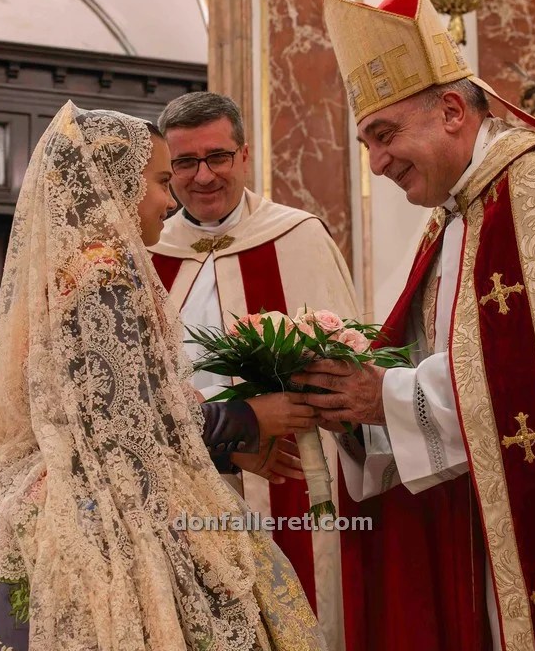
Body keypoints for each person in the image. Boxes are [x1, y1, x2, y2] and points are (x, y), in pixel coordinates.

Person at [293, 0, 535, 650]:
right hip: (486, 540)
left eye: (384, 134)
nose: (376, 162)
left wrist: (389, 397)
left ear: (451, 111)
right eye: (366, 143)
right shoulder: (460, 215)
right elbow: (453, 363)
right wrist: (358, 404)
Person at [0, 102, 326, 651]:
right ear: (116, 184)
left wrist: (226, 447)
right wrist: (247, 417)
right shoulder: (107, 277)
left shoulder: (72, 271)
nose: (170, 199)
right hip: (102, 508)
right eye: (160, 181)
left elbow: (110, 408)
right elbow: (125, 423)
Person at [151, 92, 358, 650]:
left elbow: (344, 367)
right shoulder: (148, 250)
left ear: (244, 155)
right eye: (185, 163)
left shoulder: (299, 235)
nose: (203, 176)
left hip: (290, 473)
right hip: (179, 487)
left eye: (217, 156)